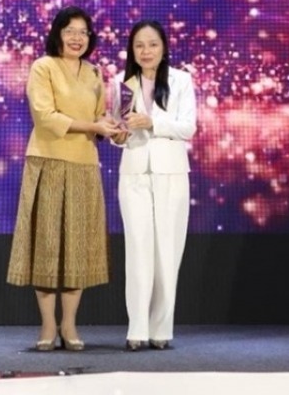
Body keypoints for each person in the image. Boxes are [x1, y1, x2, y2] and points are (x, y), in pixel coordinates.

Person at [6, 5, 124, 352]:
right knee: (47, 245)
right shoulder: (43, 67)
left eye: (83, 32)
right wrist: (94, 125)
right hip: (48, 163)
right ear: (58, 33)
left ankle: (69, 324)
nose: (77, 38)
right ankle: (47, 325)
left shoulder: (94, 72)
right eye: (70, 31)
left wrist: (116, 129)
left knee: (77, 248)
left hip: (84, 165)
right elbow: (45, 116)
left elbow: (101, 117)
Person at [112, 20, 197, 351]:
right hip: (134, 173)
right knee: (137, 249)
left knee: (167, 251)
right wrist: (118, 135)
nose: (146, 51)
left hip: (171, 174)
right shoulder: (121, 83)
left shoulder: (181, 80)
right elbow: (118, 130)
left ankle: (162, 328)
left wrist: (152, 122)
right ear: (131, 50)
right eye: (139, 45)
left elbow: (187, 128)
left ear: (163, 48)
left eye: (152, 44)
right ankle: (137, 329)